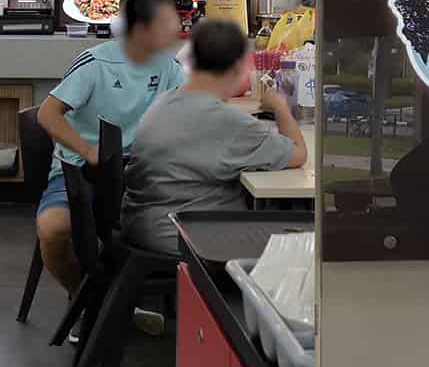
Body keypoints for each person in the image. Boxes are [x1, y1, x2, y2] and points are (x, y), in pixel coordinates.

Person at [35, 0, 184, 298]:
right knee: (53, 230)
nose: (179, 28)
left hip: (139, 175)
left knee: (186, 229)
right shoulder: (94, 63)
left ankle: (139, 300)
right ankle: (86, 300)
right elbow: (48, 115)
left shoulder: (171, 69)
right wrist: (88, 150)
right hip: (79, 171)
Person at [122, 19, 307, 255]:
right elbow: (299, 153)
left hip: (145, 222)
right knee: (297, 243)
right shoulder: (226, 121)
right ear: (239, 67)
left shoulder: (166, 99)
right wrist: (280, 106)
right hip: (186, 233)